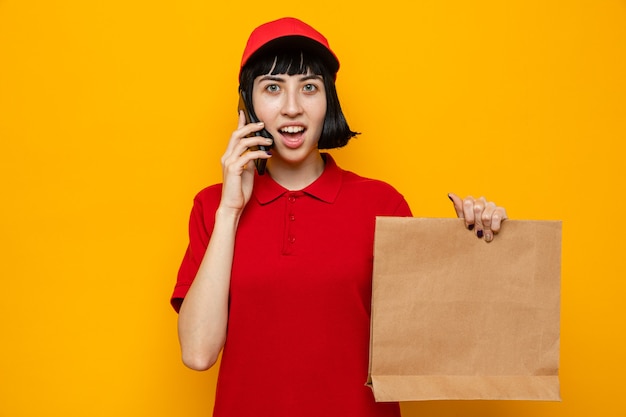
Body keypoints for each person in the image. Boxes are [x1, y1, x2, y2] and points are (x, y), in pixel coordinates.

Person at [171, 17, 507, 417]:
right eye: (273, 88)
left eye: (309, 87)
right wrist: (230, 211)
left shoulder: (381, 203)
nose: (292, 107)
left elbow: (434, 335)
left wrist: (478, 244)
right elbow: (197, 353)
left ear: (328, 99)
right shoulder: (212, 206)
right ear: (247, 105)